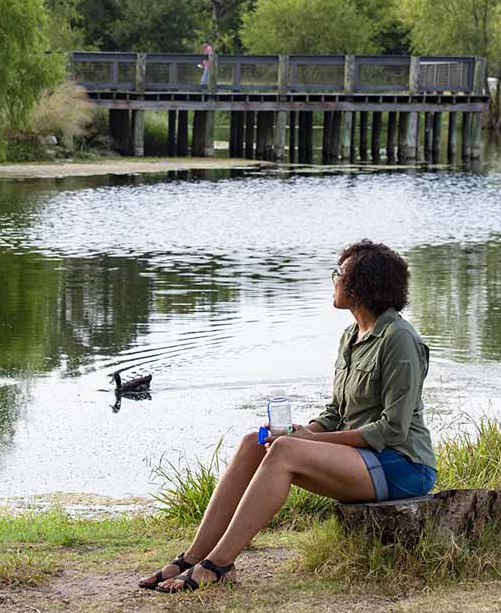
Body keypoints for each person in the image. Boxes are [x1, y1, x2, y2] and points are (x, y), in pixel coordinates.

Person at [140, 240, 435, 592]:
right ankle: (194, 557)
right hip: (360, 459)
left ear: (363, 285)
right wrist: (300, 430)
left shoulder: (399, 339)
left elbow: (393, 429)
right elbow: (336, 413)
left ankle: (219, 565)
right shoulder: (351, 336)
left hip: (401, 466)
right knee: (257, 442)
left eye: (338, 275)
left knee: (284, 452)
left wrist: (309, 442)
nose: (334, 281)